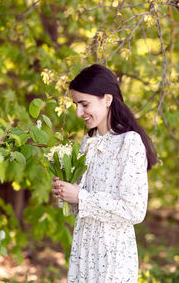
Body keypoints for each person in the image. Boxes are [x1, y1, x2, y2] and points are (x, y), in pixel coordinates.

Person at [51, 64, 157, 283]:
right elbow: (82, 207)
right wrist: (67, 192)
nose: (79, 112)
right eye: (76, 104)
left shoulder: (129, 142)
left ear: (107, 99)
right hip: (84, 249)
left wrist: (80, 195)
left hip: (114, 257)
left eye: (84, 104)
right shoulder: (87, 143)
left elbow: (134, 209)